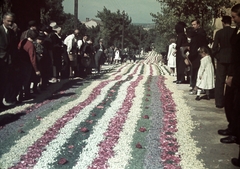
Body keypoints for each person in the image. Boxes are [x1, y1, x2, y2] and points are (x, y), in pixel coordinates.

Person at [219, 4, 240, 167]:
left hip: (237, 72)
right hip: (234, 69)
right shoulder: (236, 30)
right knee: (230, 102)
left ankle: (235, 132)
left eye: (234, 17)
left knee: (235, 105)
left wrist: (232, 74)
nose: (232, 20)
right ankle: (232, 128)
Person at [212, 16, 235, 108]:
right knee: (232, 81)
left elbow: (214, 48)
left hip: (221, 59)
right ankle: (231, 101)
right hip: (232, 59)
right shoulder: (234, 32)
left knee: (220, 81)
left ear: (223, 22)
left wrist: (218, 56)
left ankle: (219, 102)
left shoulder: (219, 33)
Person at [18, 30, 40, 100]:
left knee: (22, 80)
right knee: (27, 80)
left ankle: (21, 95)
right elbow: (32, 57)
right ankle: (27, 94)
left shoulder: (22, 41)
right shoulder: (31, 45)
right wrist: (36, 69)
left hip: (21, 63)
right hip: (27, 64)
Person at [0, 12, 16, 107]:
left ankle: (1, 102)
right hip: (0, 59)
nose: (10, 23)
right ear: (3, 20)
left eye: (12, 21)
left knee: (4, 82)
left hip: (7, 61)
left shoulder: (11, 32)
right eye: (8, 21)